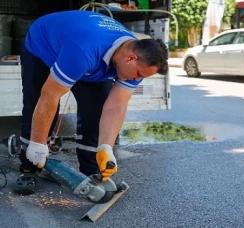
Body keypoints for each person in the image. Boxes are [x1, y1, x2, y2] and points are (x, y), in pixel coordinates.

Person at [15, 10, 169, 194]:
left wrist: (106, 148)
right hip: (44, 47)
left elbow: (117, 105)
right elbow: (49, 96)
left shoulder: (133, 59)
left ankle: (92, 171)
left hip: (88, 55)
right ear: (131, 58)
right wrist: (38, 144)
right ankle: (29, 167)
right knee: (36, 103)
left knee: (96, 109)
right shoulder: (83, 50)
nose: (137, 79)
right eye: (138, 75)